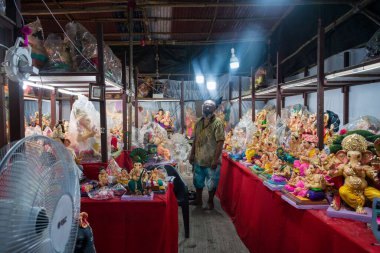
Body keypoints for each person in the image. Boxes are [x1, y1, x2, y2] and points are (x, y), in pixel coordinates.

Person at [189, 100, 225, 210]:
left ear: (214, 109)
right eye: (206, 106)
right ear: (202, 107)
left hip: (211, 160)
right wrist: (192, 154)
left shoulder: (218, 123)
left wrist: (215, 159)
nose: (207, 107)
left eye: (210, 106)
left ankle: (210, 201)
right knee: (197, 182)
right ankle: (199, 200)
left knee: (212, 183)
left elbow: (220, 141)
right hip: (199, 159)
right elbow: (195, 140)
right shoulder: (199, 122)